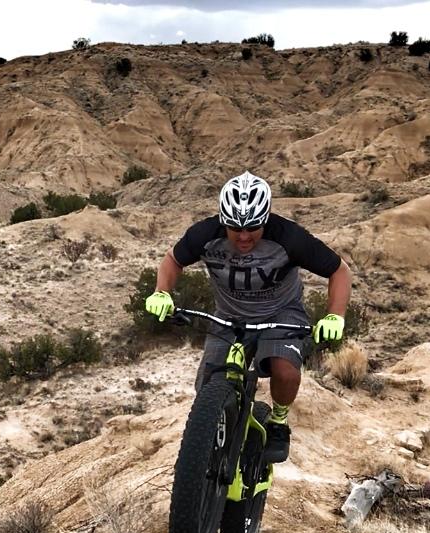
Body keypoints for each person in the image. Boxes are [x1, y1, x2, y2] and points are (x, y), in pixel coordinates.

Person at [143, 171, 352, 463]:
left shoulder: (289, 237)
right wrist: (162, 292)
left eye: (253, 228)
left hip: (280, 314)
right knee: (206, 389)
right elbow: (173, 259)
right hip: (229, 316)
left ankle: (278, 422)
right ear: (223, 221)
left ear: (265, 218)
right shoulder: (205, 234)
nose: (243, 236)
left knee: (285, 371)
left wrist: (335, 316)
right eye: (234, 228)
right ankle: (216, 444)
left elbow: (339, 271)